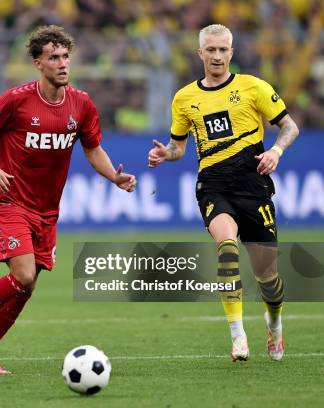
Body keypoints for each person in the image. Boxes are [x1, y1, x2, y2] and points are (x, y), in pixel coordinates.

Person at [0, 25, 137, 374]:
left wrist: (114, 176)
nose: (63, 63)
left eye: (66, 56)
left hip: (46, 212)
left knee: (27, 287)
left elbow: (92, 148)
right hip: (11, 201)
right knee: (22, 276)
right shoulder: (16, 100)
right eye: (54, 57)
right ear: (38, 63)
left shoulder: (81, 104)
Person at [147, 24, 299, 361]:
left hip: (253, 185)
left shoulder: (253, 87)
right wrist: (164, 154)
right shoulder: (185, 98)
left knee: (268, 278)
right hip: (213, 186)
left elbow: (289, 126)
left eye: (223, 50)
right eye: (210, 50)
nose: (217, 56)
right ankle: (237, 335)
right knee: (227, 248)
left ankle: (273, 323)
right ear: (199, 53)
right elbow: (178, 147)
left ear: (232, 52)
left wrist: (276, 152)